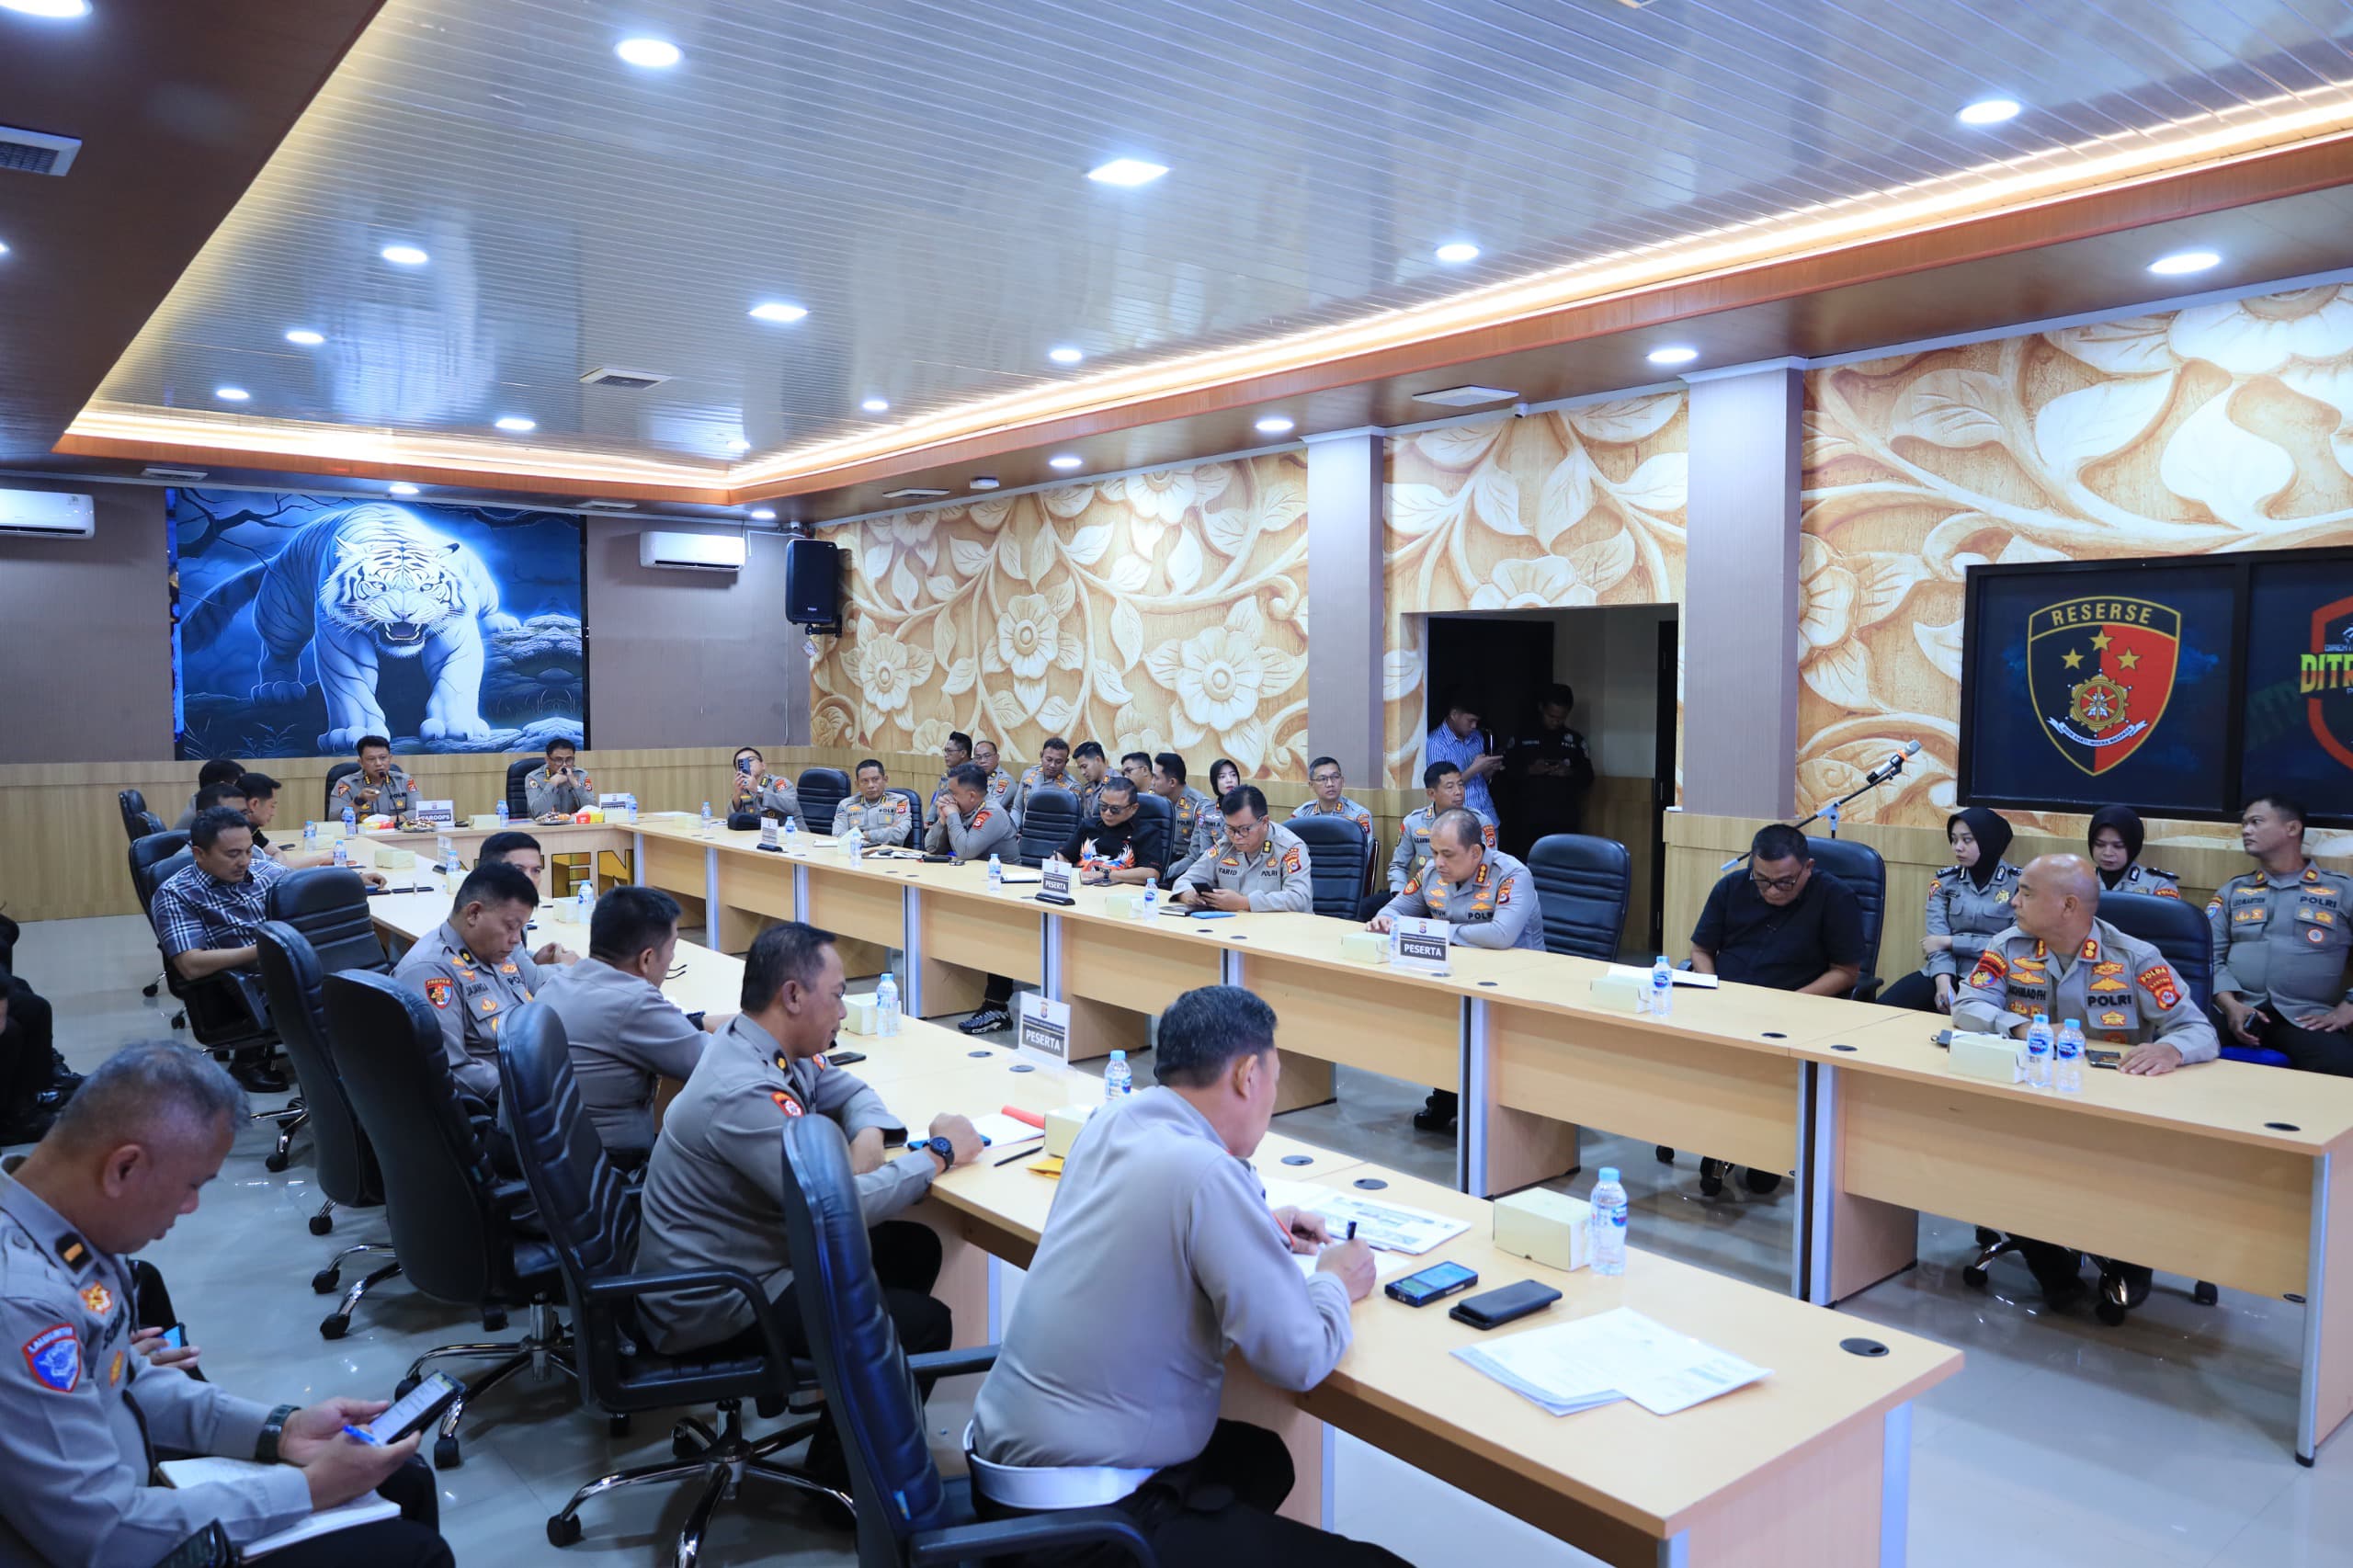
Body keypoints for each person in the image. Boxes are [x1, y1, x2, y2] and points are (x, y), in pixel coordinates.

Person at [966, 986, 1403, 1568]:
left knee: (1261, 1460)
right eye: (1275, 1078)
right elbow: (1296, 1357)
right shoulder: (1205, 1174)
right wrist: (1333, 1282)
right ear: (1248, 1075)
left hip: (1006, 1477)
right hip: (1083, 1521)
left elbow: (1166, 1214)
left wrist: (1257, 1223)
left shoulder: (1112, 1121)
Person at [0, 1043, 450, 1567]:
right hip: (103, 1540)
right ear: (124, 1168)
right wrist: (308, 1489)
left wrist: (280, 1430)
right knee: (412, 1553)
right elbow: (107, 1536)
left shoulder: (68, 1229)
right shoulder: (24, 1307)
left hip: (112, 1492)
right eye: (190, 1185)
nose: (191, 1207)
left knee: (399, 1479)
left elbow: (127, 1380)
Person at [635, 923, 982, 1490]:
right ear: (793, 996)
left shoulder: (763, 1044)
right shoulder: (742, 1092)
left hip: (750, 1256)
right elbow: (836, 1208)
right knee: (922, 1325)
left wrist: (867, 1136)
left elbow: (849, 1089)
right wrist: (938, 1155)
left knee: (912, 1248)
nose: (843, 1011)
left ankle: (841, 1436)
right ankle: (852, 1484)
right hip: (718, 1299)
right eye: (838, 994)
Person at [1952, 853, 2218, 1308]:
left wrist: (2170, 1049)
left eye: (2026, 893)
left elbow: (2199, 1030)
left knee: (2123, 1175)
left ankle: (2131, 1264)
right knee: (2003, 1155)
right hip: (2030, 1101)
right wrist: (2021, 1027)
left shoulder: (2134, 957)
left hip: (2113, 1113)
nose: (2013, 901)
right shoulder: (2008, 945)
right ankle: (2052, 1269)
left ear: (2068, 905)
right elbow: (1966, 1006)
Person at [1684, 823, 1866, 1197]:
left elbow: (1846, 972)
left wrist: (1792, 1003)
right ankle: (1719, 1137)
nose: (1771, 890)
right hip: (1728, 1006)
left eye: (1784, 882)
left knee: (1757, 1069)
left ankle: (1765, 1148)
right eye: (1762, 880)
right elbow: (1700, 950)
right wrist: (1712, 988)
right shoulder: (1731, 888)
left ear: (1808, 867)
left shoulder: (1835, 898)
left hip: (1795, 1013)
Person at [1370, 809, 1545, 1132]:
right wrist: (1385, 920)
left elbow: (1501, 935)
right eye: (1435, 852)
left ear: (1475, 852)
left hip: (1517, 982)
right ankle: (1448, 1097)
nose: (1438, 862)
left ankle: (1494, 1111)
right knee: (1439, 1022)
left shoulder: (1511, 875)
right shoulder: (1431, 871)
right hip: (1457, 973)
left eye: (1447, 854)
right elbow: (1396, 910)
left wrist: (1439, 933)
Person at [530, 886, 718, 1164]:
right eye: (672, 948)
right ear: (646, 959)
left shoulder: (557, 981)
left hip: (553, 1156)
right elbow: (719, 1063)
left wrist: (698, 1022)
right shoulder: (635, 1002)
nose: (671, 959)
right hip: (610, 1163)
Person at [148, 808, 295, 1094]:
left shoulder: (265, 872)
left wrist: (351, 882)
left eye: (248, 851)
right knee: (353, 998)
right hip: (247, 990)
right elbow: (190, 964)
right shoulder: (176, 893)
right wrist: (264, 950)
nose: (244, 862)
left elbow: (305, 886)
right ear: (199, 854)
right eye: (232, 854)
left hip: (292, 967)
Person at [2208, 793, 2353, 1074]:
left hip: (2306, 1017)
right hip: (2237, 1010)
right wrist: (2230, 1005)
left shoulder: (2342, 890)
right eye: (2244, 824)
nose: (2246, 830)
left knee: (2340, 1068)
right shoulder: (2234, 891)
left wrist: (2350, 1006)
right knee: (2177, 1042)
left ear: (2292, 828)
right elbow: (2208, 956)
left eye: (2256, 822)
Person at [389, 861, 550, 1105]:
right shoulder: (431, 972)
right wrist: (535, 1090)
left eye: (521, 928)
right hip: (510, 1101)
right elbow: (452, 1071)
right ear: (473, 913)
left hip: (536, 1069)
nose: (517, 939)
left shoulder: (491, 949)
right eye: (511, 927)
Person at [1881, 808, 2020, 1013]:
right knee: (1883, 1008)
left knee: (1974, 1019)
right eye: (1954, 840)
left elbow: (2011, 947)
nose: (1958, 847)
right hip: (1945, 970)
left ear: (1989, 840)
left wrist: (1951, 942)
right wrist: (1943, 983)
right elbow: (1934, 941)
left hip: (1993, 975)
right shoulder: (1945, 881)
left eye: (1967, 840)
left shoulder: (2019, 885)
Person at [1173, 788, 1313, 914]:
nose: (1236, 837)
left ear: (1264, 822)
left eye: (1244, 829)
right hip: (1234, 927)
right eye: (1230, 828)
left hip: (1280, 930)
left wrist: (1245, 903)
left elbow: (1299, 898)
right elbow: (1185, 880)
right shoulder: (1226, 844)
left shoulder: (1290, 847)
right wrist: (1187, 894)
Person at [1499, 684, 1595, 855]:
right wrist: (1530, 770)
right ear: (1541, 708)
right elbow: (1505, 772)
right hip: (1527, 818)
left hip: (1564, 818)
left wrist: (1568, 772)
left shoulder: (1575, 741)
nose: (1555, 721)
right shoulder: (1522, 736)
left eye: (1561, 717)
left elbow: (1588, 777)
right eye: (1551, 716)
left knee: (1563, 862)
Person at [1388, 762, 1496, 893]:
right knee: (1371, 904)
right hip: (1424, 893)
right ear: (1431, 794)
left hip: (1465, 893)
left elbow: (1488, 865)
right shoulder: (1413, 822)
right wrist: (1400, 895)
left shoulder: (1480, 822)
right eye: (1450, 787)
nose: (1458, 792)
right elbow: (1398, 866)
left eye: (1460, 784)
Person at [1062, 776, 1166, 886]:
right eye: (1103, 806)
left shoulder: (1147, 833)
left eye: (1115, 809)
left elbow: (1151, 874)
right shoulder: (1088, 826)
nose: (1107, 813)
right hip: (1082, 889)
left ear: (1133, 808)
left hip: (1121, 893)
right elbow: (1063, 856)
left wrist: (1105, 874)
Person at [1424, 695, 1504, 826]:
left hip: (1487, 816)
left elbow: (1482, 778)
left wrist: (1489, 768)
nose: (1474, 726)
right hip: (1460, 822)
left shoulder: (1477, 737)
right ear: (1454, 714)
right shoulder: (1435, 743)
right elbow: (1441, 787)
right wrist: (1475, 768)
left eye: (1477, 721)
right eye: (1470, 720)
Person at [926, 762, 1018, 864]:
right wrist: (942, 821)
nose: (949, 797)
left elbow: (965, 852)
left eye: (953, 793)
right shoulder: (964, 808)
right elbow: (931, 848)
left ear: (972, 796)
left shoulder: (993, 813)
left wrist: (953, 815)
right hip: (974, 870)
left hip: (1000, 872)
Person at [2086, 804, 2182, 899]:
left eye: (2118, 846)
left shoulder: (2159, 884)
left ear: (2132, 847)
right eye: (2100, 844)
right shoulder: (2081, 880)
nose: (2107, 853)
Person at [1153, 753, 1219, 884]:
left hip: (1185, 870)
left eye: (1156, 778)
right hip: (1160, 862)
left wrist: (1163, 874)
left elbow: (1195, 857)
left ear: (1172, 782)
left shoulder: (1199, 805)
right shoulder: (1156, 800)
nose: (1152, 782)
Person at [328, 736, 418, 820]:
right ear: (361, 762)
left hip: (396, 831)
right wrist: (358, 801)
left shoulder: (404, 781)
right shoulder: (346, 784)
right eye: (371, 759)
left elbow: (418, 811)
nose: (378, 763)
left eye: (383, 758)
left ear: (390, 759)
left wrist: (388, 821)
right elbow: (333, 818)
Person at [832, 758, 915, 846]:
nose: (870, 785)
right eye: (865, 781)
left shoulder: (900, 801)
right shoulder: (845, 805)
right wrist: (886, 831)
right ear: (857, 784)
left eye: (875, 779)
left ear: (885, 780)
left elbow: (899, 833)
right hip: (855, 852)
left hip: (887, 853)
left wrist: (863, 835)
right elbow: (838, 836)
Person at [1290, 756, 1375, 839]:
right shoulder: (1301, 814)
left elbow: (1364, 847)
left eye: (1335, 777)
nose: (1330, 784)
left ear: (1342, 781)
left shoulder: (1359, 815)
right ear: (1311, 785)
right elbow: (1291, 845)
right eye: (1322, 779)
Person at [1006, 735, 1075, 824]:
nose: (1052, 765)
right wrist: (1014, 828)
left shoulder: (1072, 786)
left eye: (1058, 762)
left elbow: (1071, 822)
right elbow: (1017, 808)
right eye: (1049, 759)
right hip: (1025, 829)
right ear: (1041, 756)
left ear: (1066, 762)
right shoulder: (1028, 775)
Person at [525, 738, 596, 817]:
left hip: (573, 823)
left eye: (569, 760)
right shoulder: (534, 778)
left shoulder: (581, 775)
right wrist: (552, 783)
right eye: (558, 760)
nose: (564, 764)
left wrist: (576, 785)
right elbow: (538, 813)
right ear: (547, 760)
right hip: (545, 824)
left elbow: (592, 811)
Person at [729, 745, 800, 824]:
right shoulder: (743, 789)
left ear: (763, 765)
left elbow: (791, 806)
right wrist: (736, 795)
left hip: (791, 830)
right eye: (741, 764)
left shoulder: (779, 783)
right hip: (760, 830)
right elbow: (732, 820)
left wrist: (758, 790)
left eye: (750, 760)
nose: (748, 765)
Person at [172, 758, 247, 831]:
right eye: (239, 784)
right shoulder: (207, 816)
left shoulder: (201, 801)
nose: (242, 788)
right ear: (222, 785)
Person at [932, 732, 976, 818]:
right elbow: (938, 798)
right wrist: (929, 820)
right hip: (942, 818)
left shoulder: (975, 775)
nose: (945, 755)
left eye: (949, 751)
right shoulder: (949, 772)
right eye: (945, 751)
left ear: (963, 753)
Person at [1069, 741, 1113, 821]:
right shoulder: (1088, 787)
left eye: (1084, 766)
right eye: (1080, 768)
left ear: (1098, 760)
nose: (1082, 772)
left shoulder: (1117, 784)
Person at [972, 739, 1017, 806]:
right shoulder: (972, 777)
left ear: (997, 757)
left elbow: (993, 807)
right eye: (978, 757)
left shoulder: (1004, 780)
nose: (982, 761)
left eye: (987, 756)